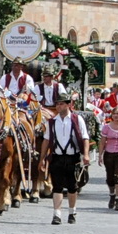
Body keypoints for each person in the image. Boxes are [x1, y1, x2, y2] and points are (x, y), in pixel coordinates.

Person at [45, 91, 90, 225]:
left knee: (72, 187)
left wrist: (86, 154)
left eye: (61, 104)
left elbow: (85, 137)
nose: (58, 106)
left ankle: (72, 211)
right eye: (57, 104)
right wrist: (43, 158)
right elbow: (46, 140)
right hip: (57, 157)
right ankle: (56, 214)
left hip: (73, 157)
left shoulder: (77, 119)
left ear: (68, 105)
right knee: (57, 187)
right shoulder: (52, 122)